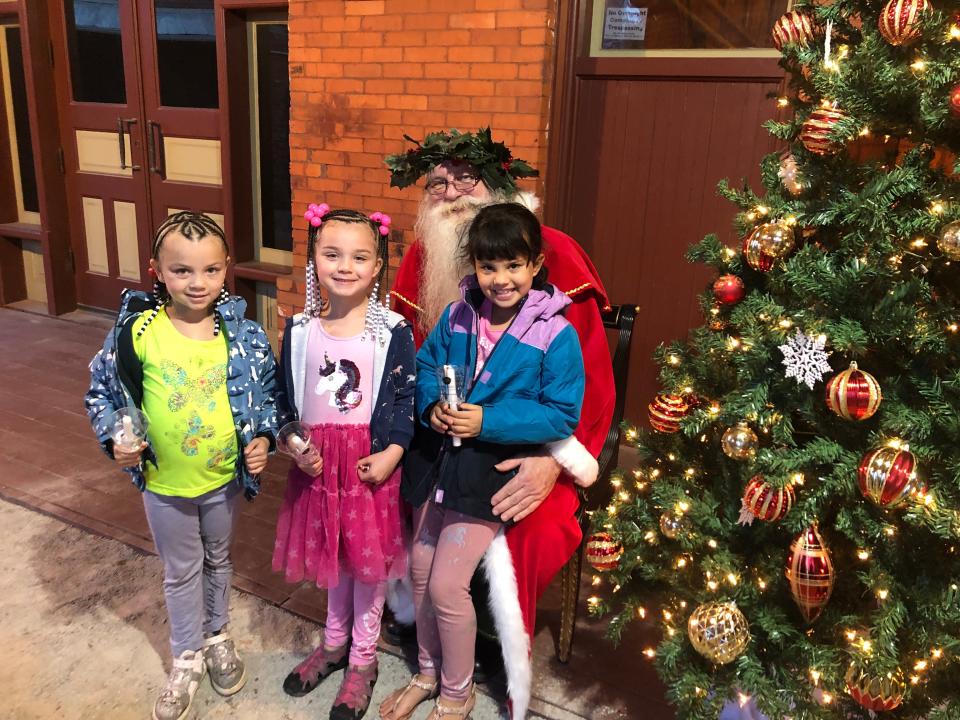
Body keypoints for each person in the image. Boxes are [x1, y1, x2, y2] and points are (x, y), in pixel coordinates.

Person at [384, 129, 616, 719]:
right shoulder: (441, 278)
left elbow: (579, 398)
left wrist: (550, 458)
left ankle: (470, 681)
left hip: (525, 454)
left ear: (534, 263)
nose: (452, 190)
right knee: (412, 551)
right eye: (438, 181)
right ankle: (428, 664)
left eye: (467, 177)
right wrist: (430, 407)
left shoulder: (553, 274)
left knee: (483, 557)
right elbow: (423, 359)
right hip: (441, 454)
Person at [84, 211, 278, 720]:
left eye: (211, 270)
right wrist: (115, 438)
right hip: (163, 483)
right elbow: (102, 394)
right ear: (156, 271)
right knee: (181, 570)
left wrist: (263, 438)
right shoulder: (137, 331)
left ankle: (218, 635)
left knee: (219, 560)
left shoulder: (246, 336)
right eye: (182, 271)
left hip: (224, 482)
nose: (198, 283)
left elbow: (268, 400)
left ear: (227, 269)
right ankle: (186, 654)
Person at [273, 206, 416, 720]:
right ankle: (333, 644)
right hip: (317, 468)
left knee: (367, 567)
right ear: (313, 257)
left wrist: (393, 452)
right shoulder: (299, 330)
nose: (345, 266)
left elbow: (404, 402)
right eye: (331, 254)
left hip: (367, 468)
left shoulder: (392, 331)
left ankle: (362, 660)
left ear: (378, 265)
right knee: (333, 561)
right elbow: (283, 399)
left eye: (359, 256)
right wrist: (291, 441)